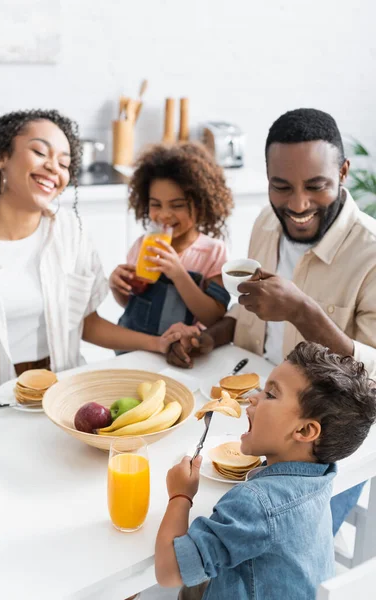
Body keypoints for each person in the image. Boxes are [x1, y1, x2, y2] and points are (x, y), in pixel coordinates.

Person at [166, 108, 376, 533]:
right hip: (248, 412)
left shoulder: (371, 253)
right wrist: (208, 338)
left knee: (237, 550)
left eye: (316, 187)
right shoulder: (267, 223)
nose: (298, 205)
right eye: (281, 187)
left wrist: (302, 310)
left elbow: (371, 383)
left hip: (317, 452)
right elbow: (245, 315)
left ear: (344, 173)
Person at [0, 110, 180, 395]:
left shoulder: (71, 234)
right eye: (39, 152)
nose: (53, 168)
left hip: (58, 392)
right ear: (1, 157)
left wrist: (156, 343)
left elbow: (86, 323)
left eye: (64, 163)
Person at [155, 342, 376, 600]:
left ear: (305, 431)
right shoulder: (321, 473)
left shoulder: (254, 504)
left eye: (270, 395)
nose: (253, 397)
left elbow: (169, 571)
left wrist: (180, 496)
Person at [109, 142, 233, 338]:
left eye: (177, 205)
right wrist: (118, 287)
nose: (164, 215)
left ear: (201, 205)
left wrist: (178, 274)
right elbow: (134, 305)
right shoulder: (143, 245)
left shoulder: (213, 252)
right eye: (156, 205)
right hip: (136, 349)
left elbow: (215, 316)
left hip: (183, 353)